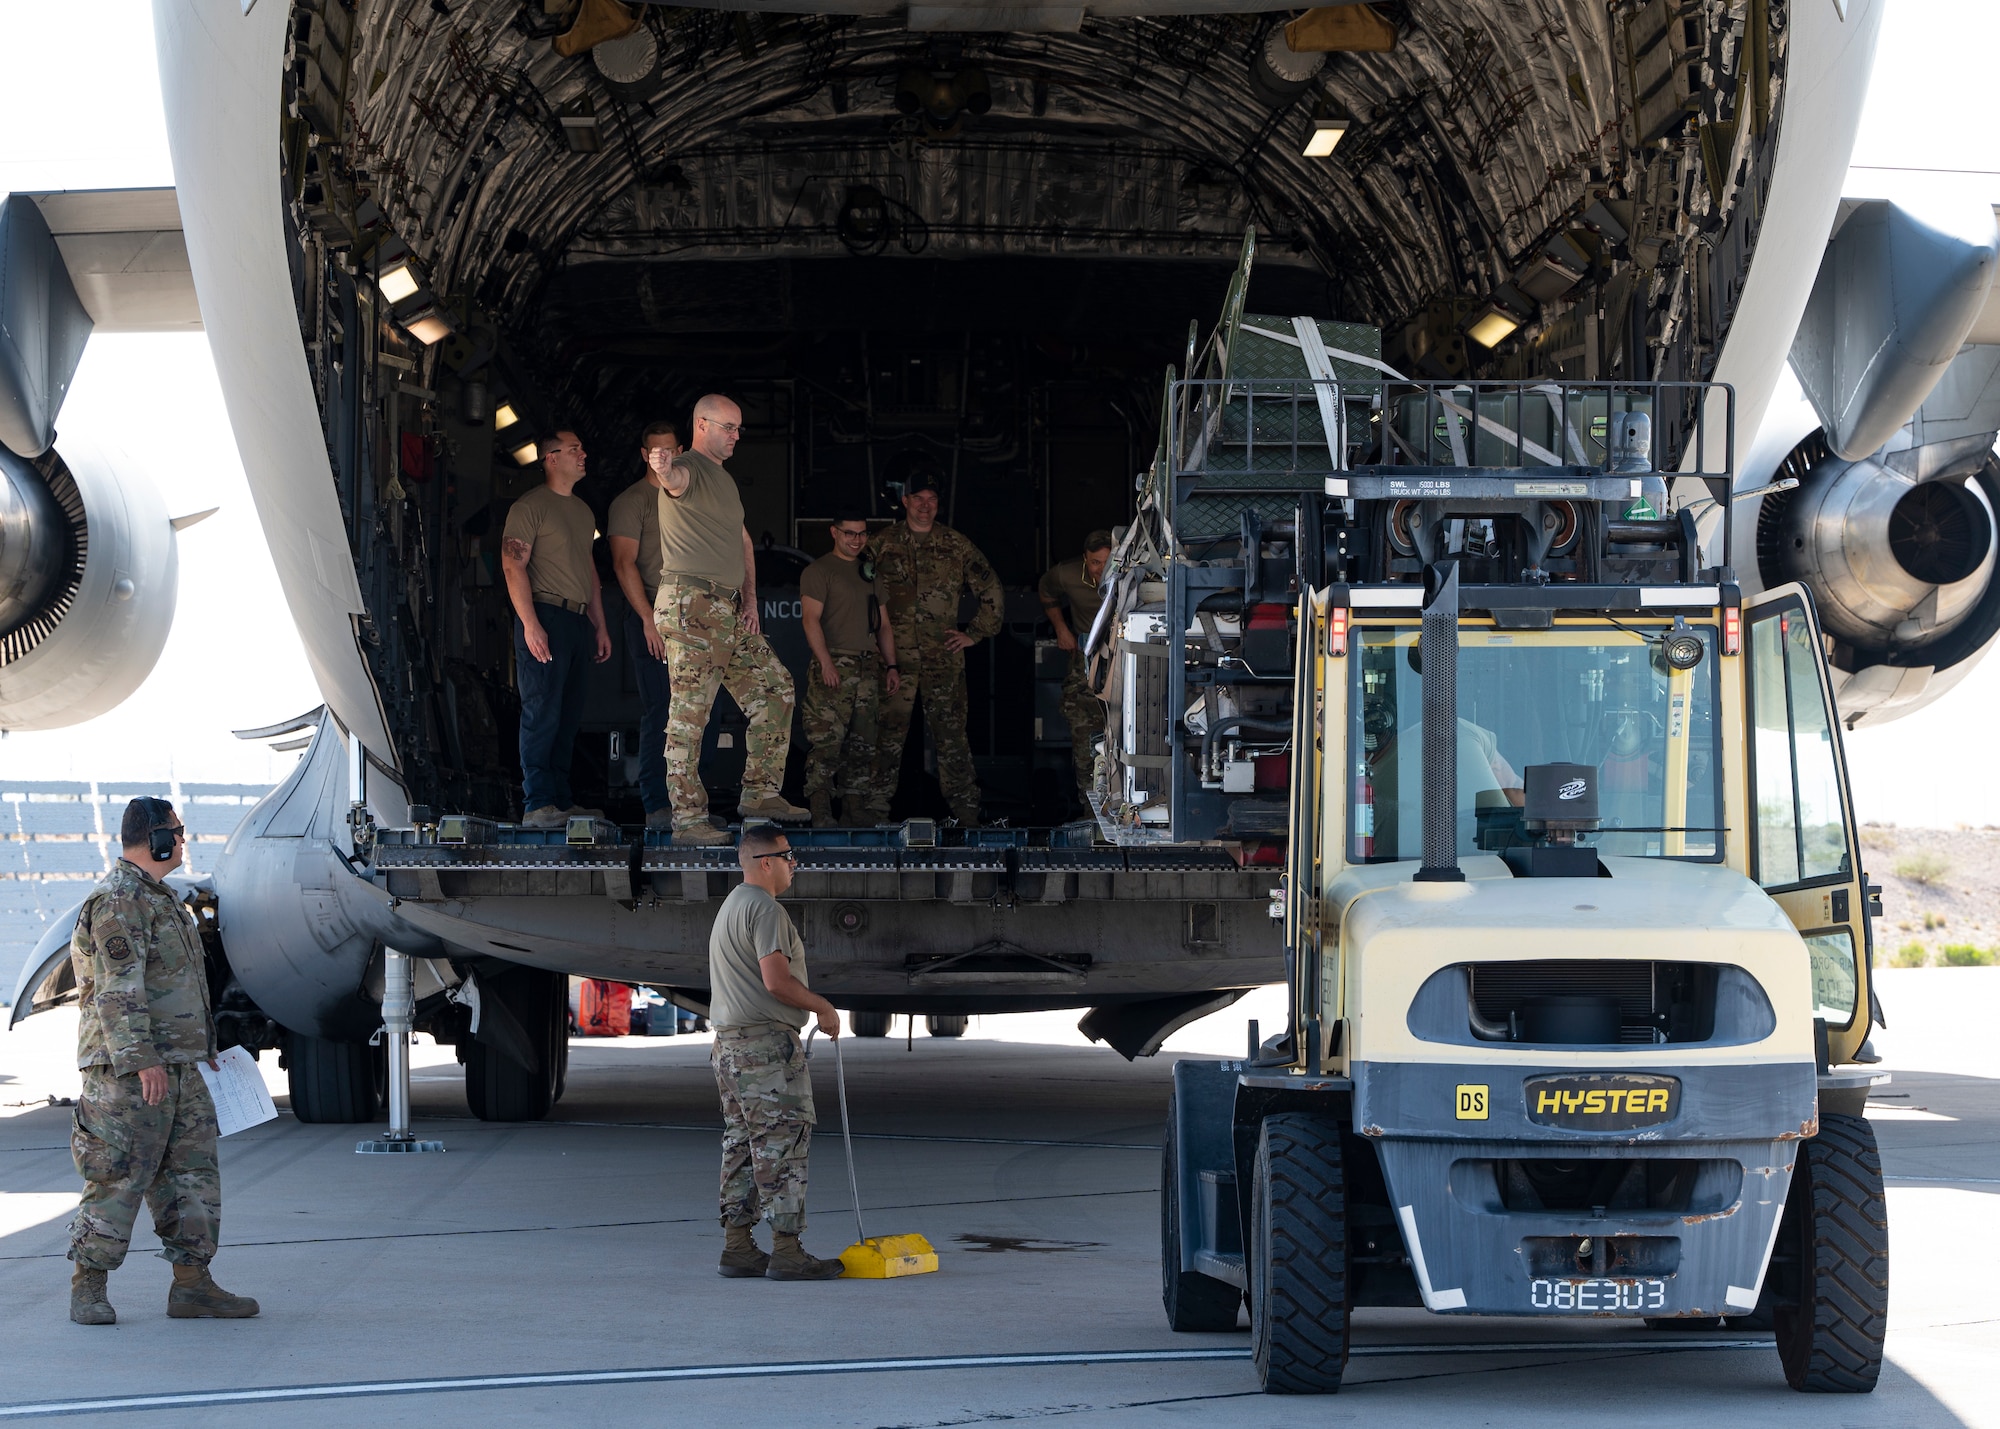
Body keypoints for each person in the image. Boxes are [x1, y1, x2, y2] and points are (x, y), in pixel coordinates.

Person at [65, 798, 258, 1325]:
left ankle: (193, 1284)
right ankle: (89, 1287)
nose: (183, 840)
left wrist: (204, 1048)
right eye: (178, 831)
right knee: (117, 1174)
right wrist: (140, 1058)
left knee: (193, 1173)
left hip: (179, 1064)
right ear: (157, 839)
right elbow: (117, 990)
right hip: (130, 1071)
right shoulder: (119, 901)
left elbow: (181, 984)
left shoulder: (162, 898)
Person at [653, 395, 806, 845]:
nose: (737, 436)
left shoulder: (722, 479)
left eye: (740, 428)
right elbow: (672, 480)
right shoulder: (690, 468)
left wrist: (751, 600)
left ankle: (759, 795)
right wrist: (662, 468)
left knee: (775, 689)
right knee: (690, 715)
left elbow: (742, 541)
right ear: (702, 425)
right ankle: (687, 821)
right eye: (729, 427)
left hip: (728, 608)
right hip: (692, 604)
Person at [708, 823, 846, 1281]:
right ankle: (787, 1250)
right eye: (789, 857)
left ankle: (738, 1246)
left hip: (729, 1047)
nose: (794, 865)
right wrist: (822, 1007)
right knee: (782, 1143)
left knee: (742, 1144)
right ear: (765, 862)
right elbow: (777, 981)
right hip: (765, 1049)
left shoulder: (731, 906)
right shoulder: (765, 910)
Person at [866, 469, 1004, 826]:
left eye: (932, 500)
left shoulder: (956, 545)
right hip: (894, 659)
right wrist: (868, 642)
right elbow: (855, 592)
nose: (925, 507)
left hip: (943, 657)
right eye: (918, 499)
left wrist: (975, 633)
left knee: (951, 736)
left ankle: (966, 812)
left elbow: (990, 589)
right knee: (887, 734)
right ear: (905, 501)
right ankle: (873, 812)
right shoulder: (882, 545)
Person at [501, 430, 611, 828]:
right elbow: (513, 565)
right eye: (575, 449)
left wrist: (599, 624)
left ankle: (560, 800)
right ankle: (538, 803)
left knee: (567, 714)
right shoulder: (530, 507)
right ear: (551, 458)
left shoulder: (583, 512)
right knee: (541, 710)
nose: (584, 454)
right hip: (545, 614)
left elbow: (590, 573)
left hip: (577, 619)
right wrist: (530, 624)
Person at [800, 510, 901, 826]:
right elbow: (810, 619)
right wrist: (826, 663)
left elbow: (883, 625)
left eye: (862, 534)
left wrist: (892, 666)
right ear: (834, 532)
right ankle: (821, 809)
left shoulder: (869, 574)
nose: (856, 540)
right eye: (849, 533)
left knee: (863, 742)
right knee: (826, 741)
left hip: (867, 667)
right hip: (835, 664)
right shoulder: (819, 571)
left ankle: (855, 808)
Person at [608, 419, 683, 829]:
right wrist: (647, 622)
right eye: (655, 451)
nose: (663, 457)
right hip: (652, 613)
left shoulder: (690, 496)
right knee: (661, 710)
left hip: (696, 620)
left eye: (669, 449)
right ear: (644, 454)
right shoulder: (632, 501)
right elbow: (623, 562)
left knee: (700, 711)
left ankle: (691, 806)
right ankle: (658, 804)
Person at [1037, 530, 1113, 812]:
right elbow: (1046, 589)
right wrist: (1061, 628)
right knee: (1086, 736)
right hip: (1086, 659)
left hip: (1127, 660)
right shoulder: (1068, 574)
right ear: (1085, 560)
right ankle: (1091, 812)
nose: (1101, 569)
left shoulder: (1134, 572)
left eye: (1108, 562)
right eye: (1095, 563)